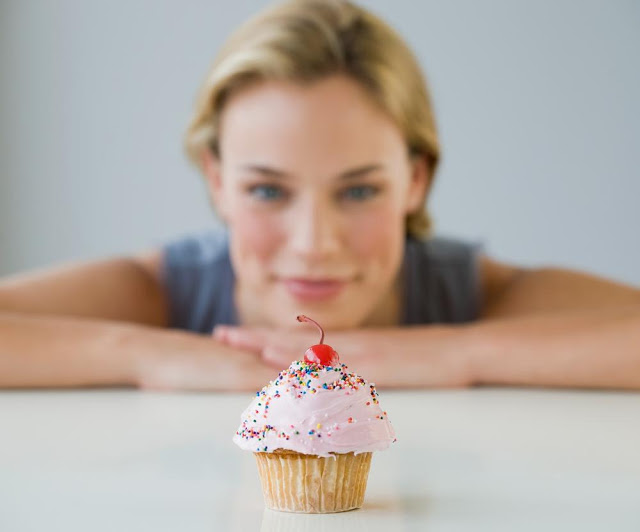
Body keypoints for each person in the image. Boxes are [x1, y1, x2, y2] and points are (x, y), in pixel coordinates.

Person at [1, 0, 639, 391]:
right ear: (217, 180)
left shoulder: (471, 296)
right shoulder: (162, 293)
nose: (313, 245)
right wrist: (142, 354)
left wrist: (456, 352)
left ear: (416, 179)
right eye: (267, 190)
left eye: (359, 190)